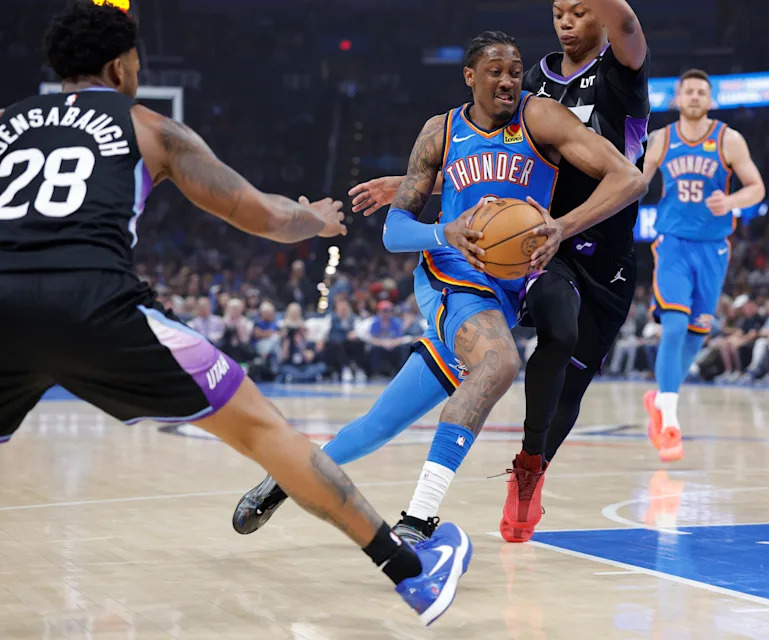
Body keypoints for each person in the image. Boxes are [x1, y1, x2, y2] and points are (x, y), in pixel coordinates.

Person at [0, 3, 470, 625]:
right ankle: (411, 574)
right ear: (118, 67)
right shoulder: (149, 128)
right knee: (268, 436)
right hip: (96, 303)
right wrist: (318, 220)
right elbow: (263, 215)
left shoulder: (6, 124)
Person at [232, 30, 646, 544]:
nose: (508, 81)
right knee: (499, 363)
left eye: (516, 71)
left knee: (380, 424)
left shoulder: (539, 117)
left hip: (509, 288)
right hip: (452, 278)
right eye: (495, 71)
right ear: (470, 77)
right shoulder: (440, 131)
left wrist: (563, 225)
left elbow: (629, 176)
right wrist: (443, 231)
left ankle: (286, 476)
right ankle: (418, 520)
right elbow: (393, 230)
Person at [339, 0, 657, 544]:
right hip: (537, 247)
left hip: (601, 248)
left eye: (580, 11)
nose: (565, 20)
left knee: (572, 379)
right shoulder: (527, 82)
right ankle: (455, 367)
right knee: (550, 328)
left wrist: (560, 223)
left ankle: (532, 460)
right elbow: (496, 167)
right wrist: (411, 183)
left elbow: (626, 27)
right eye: (558, 10)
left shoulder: (620, 76)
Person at [636, 68, 765, 462]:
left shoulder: (729, 139)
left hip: (713, 249)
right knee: (673, 326)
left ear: (710, 100)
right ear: (678, 99)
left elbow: (756, 188)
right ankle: (671, 422)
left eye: (700, 92)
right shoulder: (661, 138)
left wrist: (731, 202)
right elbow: (638, 182)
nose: (693, 97)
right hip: (672, 244)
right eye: (687, 91)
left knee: (695, 335)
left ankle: (659, 398)